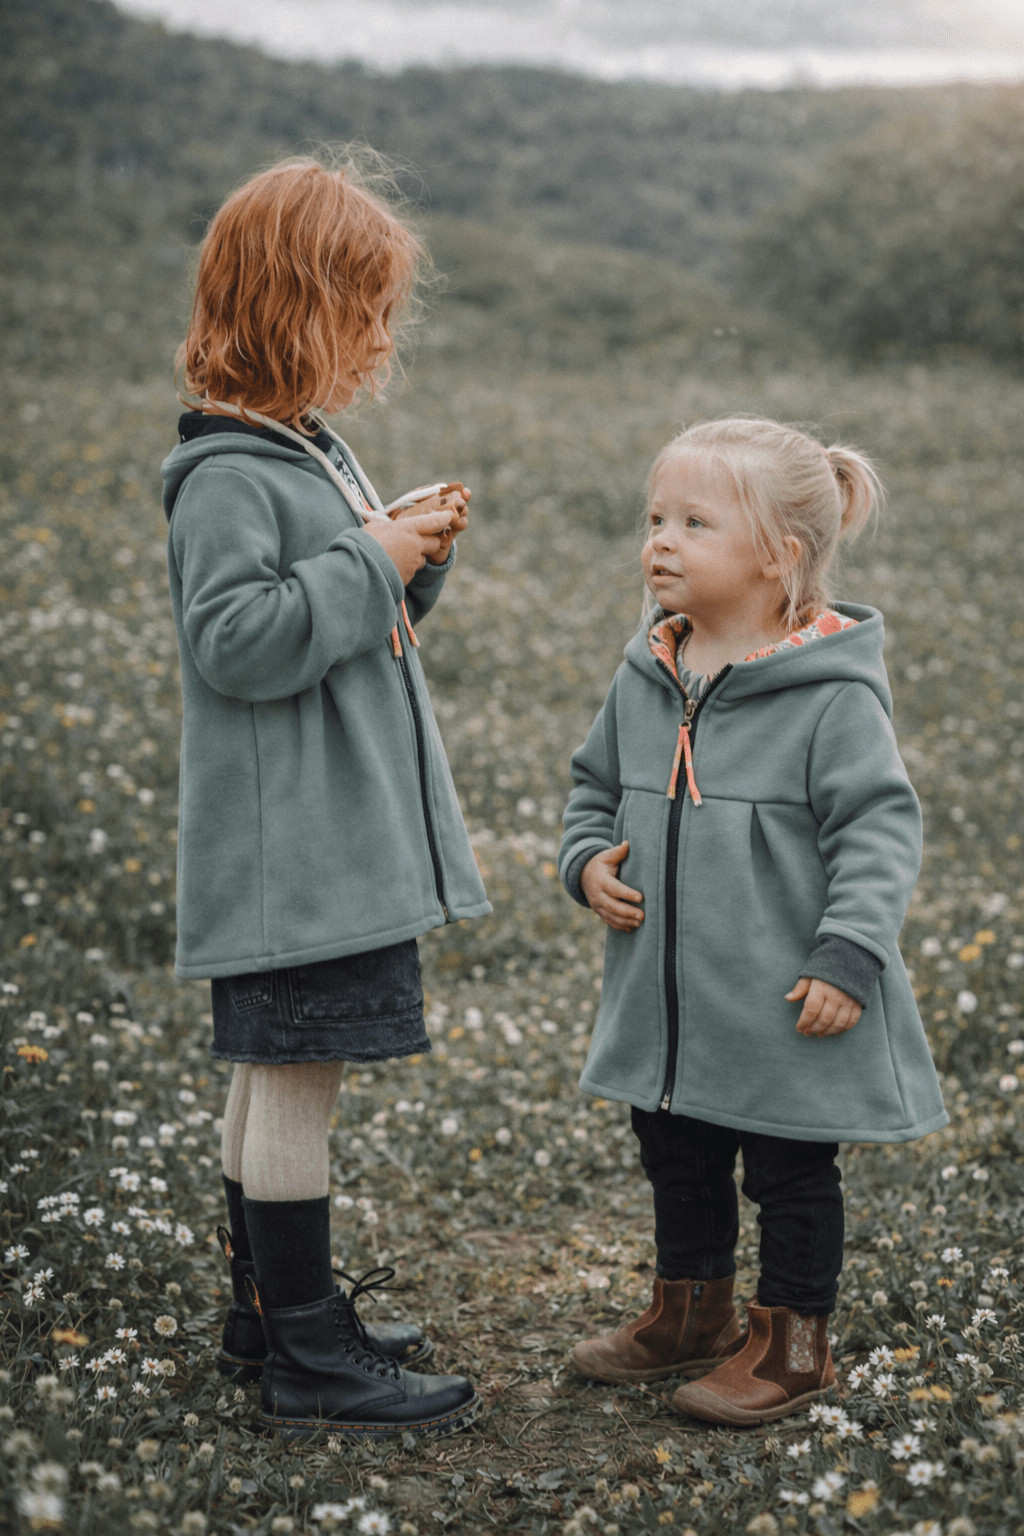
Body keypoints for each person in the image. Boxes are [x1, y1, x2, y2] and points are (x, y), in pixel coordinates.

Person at [162, 152, 491, 1441]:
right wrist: (371, 553)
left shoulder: (300, 451)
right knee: (296, 1075)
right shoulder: (231, 476)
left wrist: (406, 560)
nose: (379, 340)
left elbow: (337, 616)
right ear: (297, 312)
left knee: (269, 1069)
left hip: (314, 845)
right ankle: (308, 1357)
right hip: (294, 857)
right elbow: (240, 641)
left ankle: (266, 1313)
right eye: (365, 314)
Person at [558, 416, 947, 1426]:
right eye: (654, 518)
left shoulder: (827, 696)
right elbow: (591, 785)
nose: (660, 541)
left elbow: (876, 828)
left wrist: (848, 952)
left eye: (695, 521)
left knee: (788, 1167)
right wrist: (585, 858)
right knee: (673, 1148)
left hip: (784, 988)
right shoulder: (648, 668)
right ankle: (689, 1312)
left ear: (779, 557)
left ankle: (793, 1346)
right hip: (671, 995)